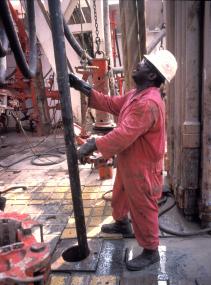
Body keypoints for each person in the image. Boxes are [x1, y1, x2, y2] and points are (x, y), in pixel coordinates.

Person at [69, 49, 177, 271]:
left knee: (143, 206)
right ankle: (122, 224)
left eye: (145, 63)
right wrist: (83, 87)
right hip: (131, 159)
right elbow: (111, 103)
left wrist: (92, 144)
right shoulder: (136, 94)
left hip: (143, 166)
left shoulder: (148, 103)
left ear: (153, 76)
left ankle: (150, 251)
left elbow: (123, 134)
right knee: (121, 192)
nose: (139, 63)